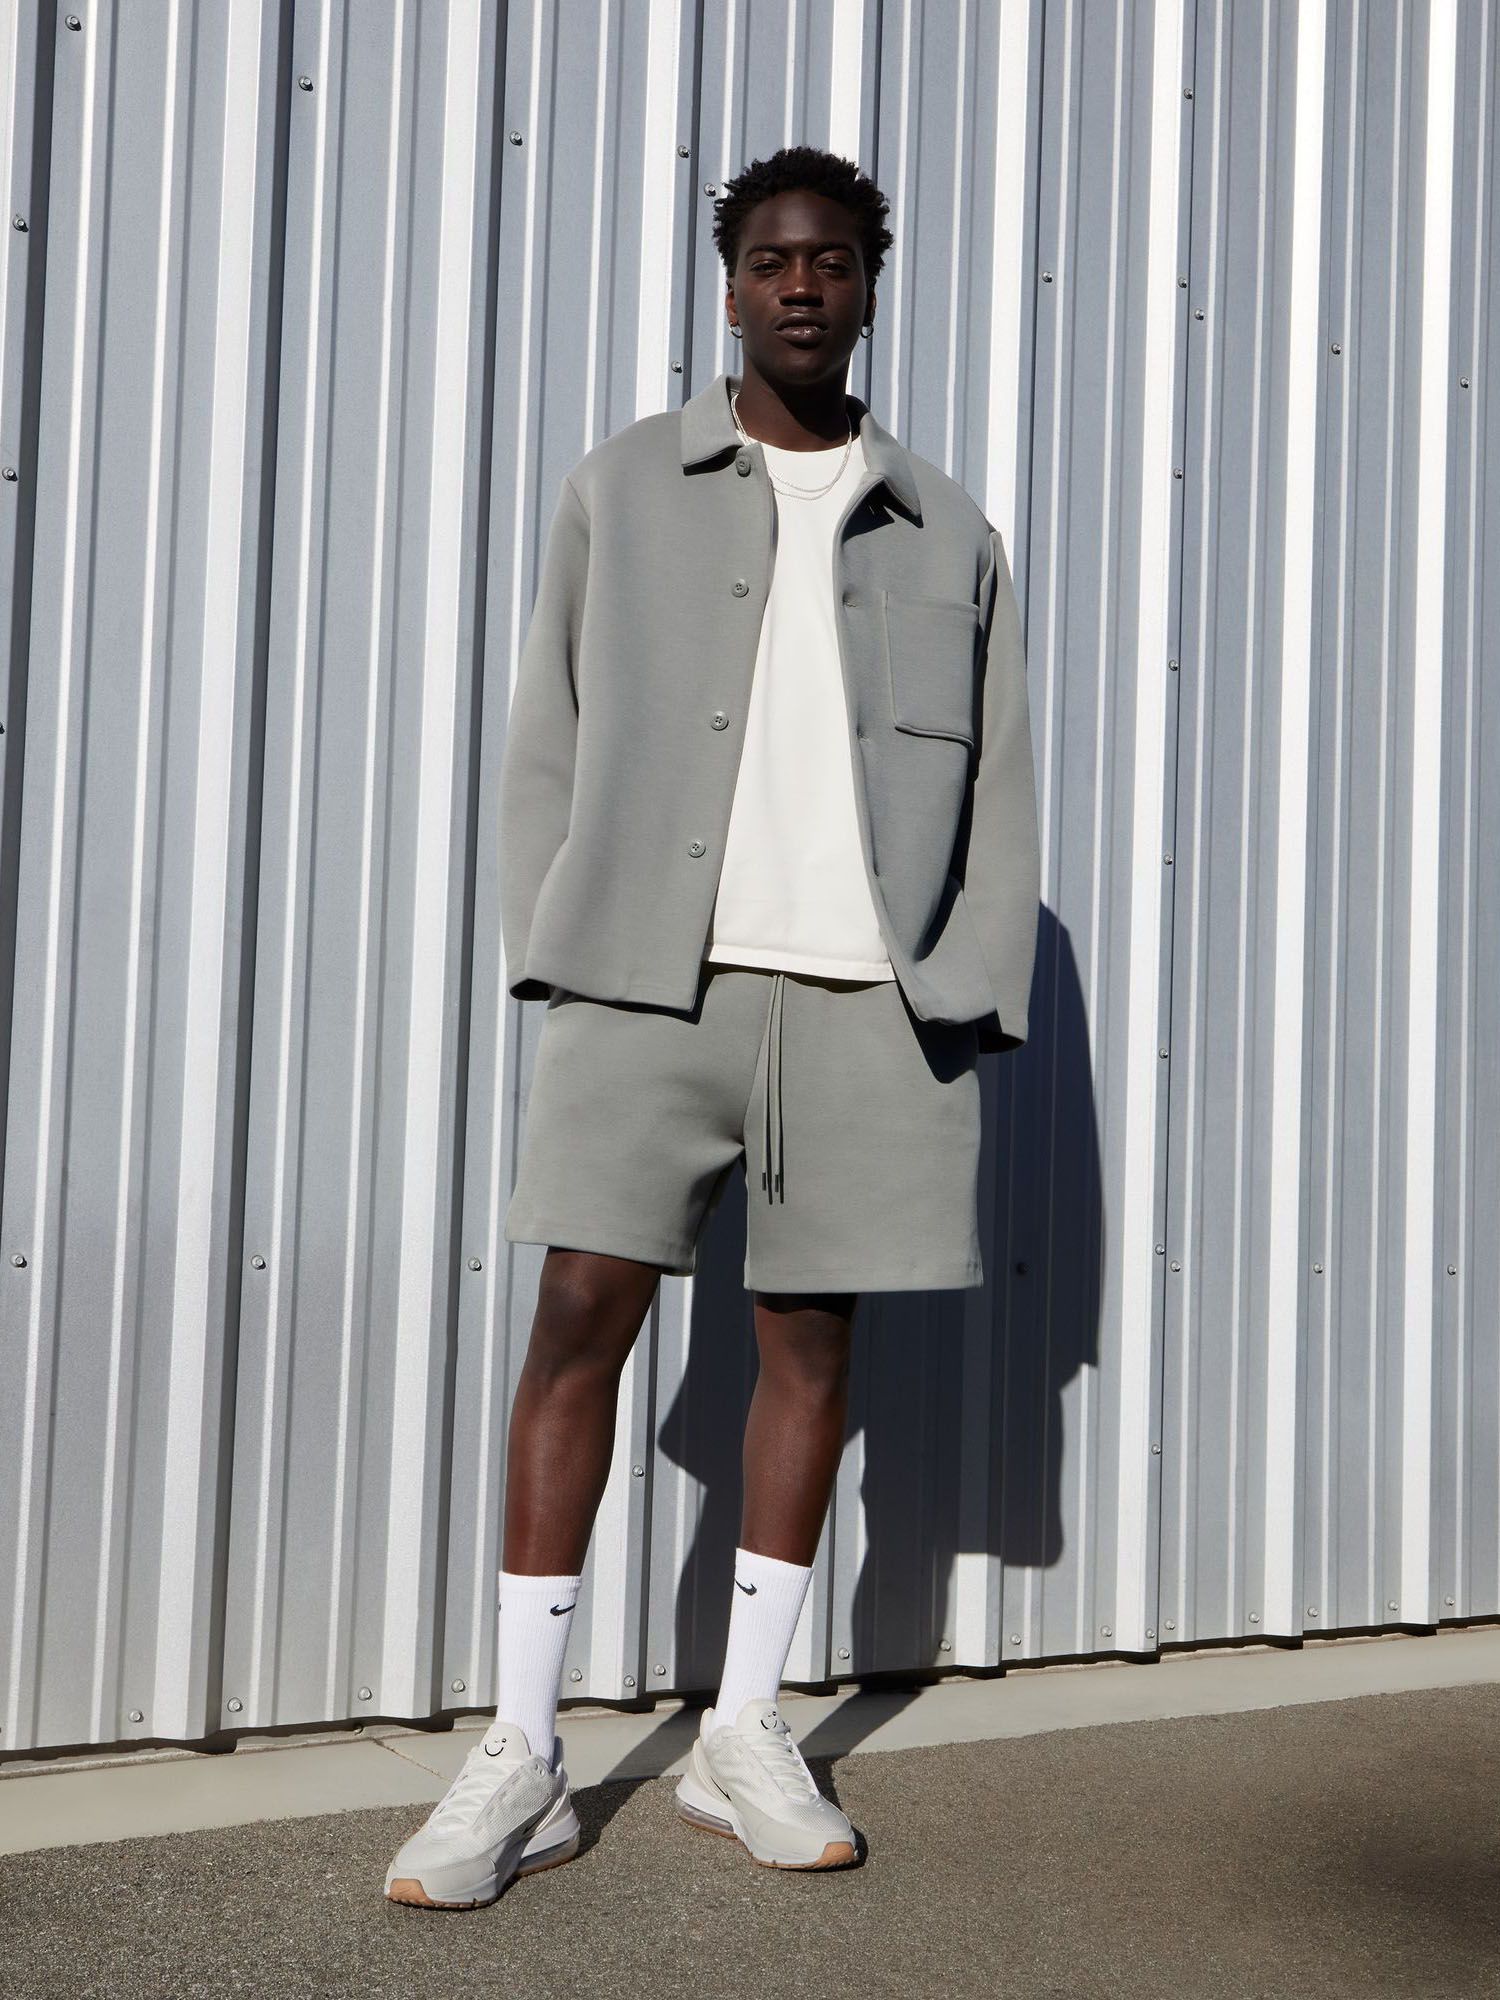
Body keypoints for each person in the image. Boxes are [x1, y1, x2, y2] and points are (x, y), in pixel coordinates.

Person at [384, 143, 1041, 1908]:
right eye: (770, 259)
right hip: (652, 981)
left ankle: (742, 1731)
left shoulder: (945, 526)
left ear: (871, 285)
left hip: (861, 997)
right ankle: (522, 1749)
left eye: (832, 259)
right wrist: (562, 944)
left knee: (808, 1347)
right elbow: (548, 729)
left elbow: (1000, 788)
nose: (801, 285)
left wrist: (963, 985)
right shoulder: (625, 485)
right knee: (577, 1317)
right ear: (730, 284)